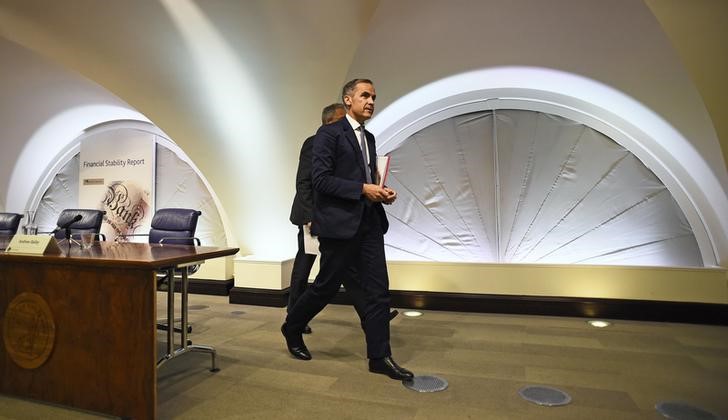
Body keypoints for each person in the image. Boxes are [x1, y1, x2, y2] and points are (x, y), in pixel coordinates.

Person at [282, 79, 413, 381]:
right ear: (348, 100)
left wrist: (380, 191)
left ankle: (379, 357)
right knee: (325, 287)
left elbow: (366, 179)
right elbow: (321, 181)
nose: (371, 101)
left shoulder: (369, 137)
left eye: (374, 97)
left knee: (379, 291)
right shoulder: (328, 134)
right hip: (339, 227)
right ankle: (292, 326)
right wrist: (362, 189)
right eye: (365, 95)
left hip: (368, 224)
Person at [288, 103, 346, 334]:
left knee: (340, 267)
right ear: (330, 121)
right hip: (311, 216)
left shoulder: (341, 145)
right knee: (304, 266)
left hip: (332, 217)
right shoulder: (313, 143)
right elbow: (303, 182)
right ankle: (294, 314)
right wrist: (310, 215)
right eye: (341, 119)